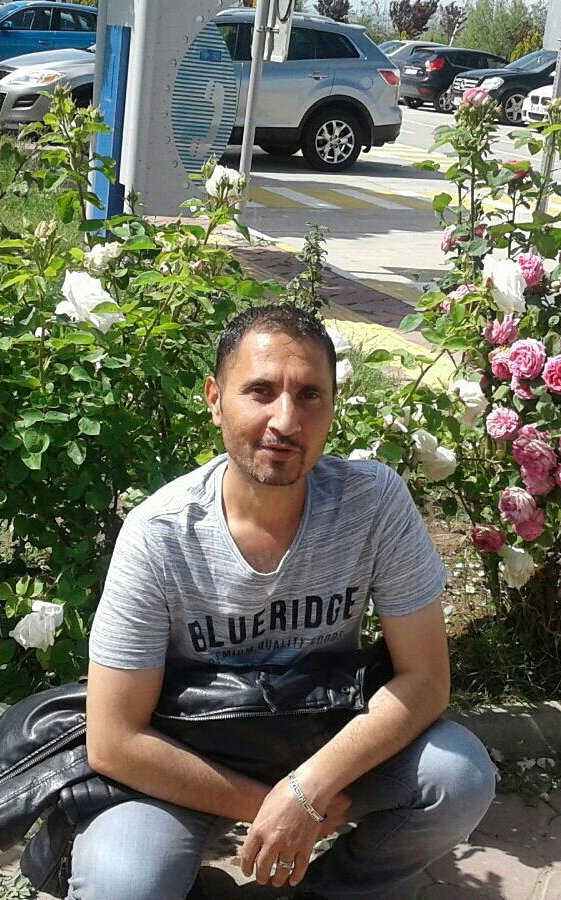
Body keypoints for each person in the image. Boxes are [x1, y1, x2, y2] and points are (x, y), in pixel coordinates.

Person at [71, 304, 495, 900]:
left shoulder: (373, 503)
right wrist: (275, 808)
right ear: (215, 399)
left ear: (333, 406)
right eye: (260, 391)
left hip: (322, 736)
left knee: (459, 777)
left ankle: (334, 893)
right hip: (191, 754)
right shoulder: (159, 533)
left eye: (310, 395)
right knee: (123, 884)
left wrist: (309, 789)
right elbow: (114, 739)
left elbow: (425, 681)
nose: (286, 420)